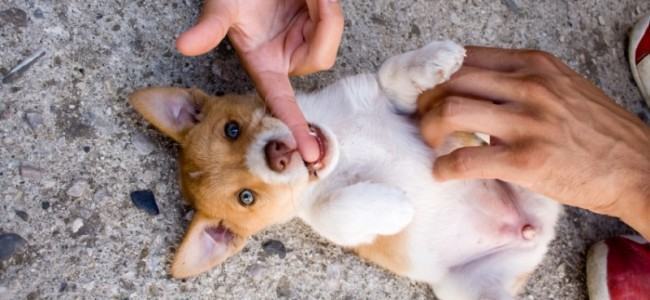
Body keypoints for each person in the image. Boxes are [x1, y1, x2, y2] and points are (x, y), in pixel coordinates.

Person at [176, 2, 649, 298]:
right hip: (484, 259)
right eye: (247, 197)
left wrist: (408, 75)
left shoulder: (328, 105)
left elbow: (386, 95)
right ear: (233, 234)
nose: (267, 161)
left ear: (203, 108)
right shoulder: (323, 207)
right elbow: (370, 217)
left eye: (233, 132)